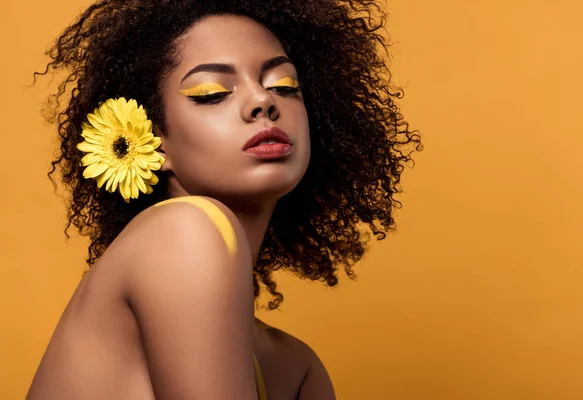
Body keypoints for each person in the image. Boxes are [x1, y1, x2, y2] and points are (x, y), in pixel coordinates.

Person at [27, 0, 422, 398]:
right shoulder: (185, 228)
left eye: (284, 87)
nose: (263, 102)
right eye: (212, 93)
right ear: (151, 140)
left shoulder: (296, 366)